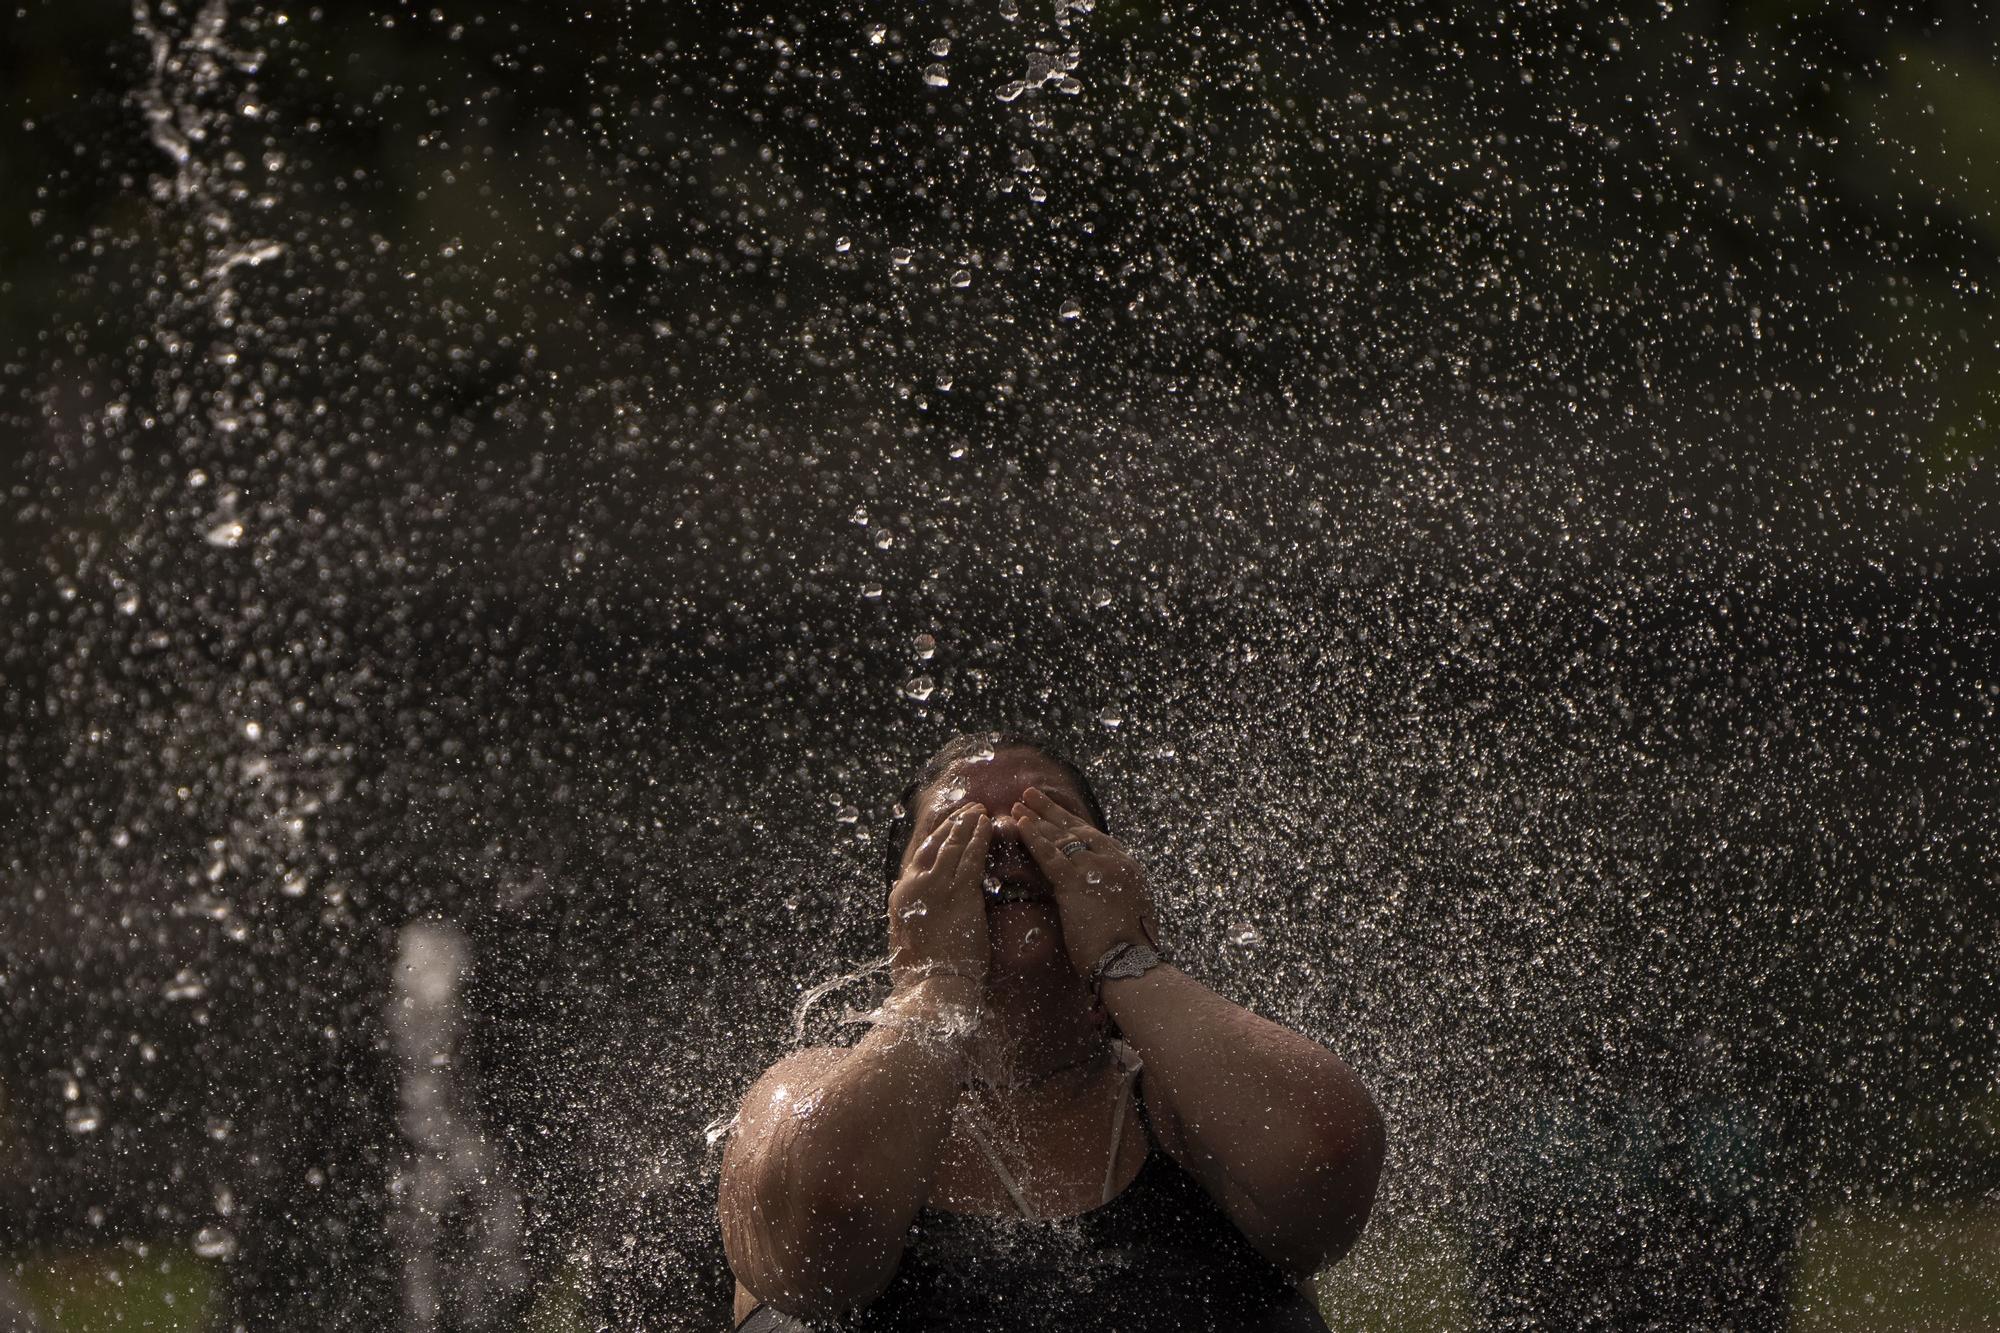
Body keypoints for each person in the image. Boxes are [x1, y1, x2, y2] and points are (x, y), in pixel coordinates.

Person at [719, 732, 1385, 1331]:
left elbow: (1326, 1158)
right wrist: (935, 985)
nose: (1007, 835)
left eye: (1048, 821)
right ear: (902, 903)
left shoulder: (1190, 1104)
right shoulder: (811, 1090)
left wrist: (1128, 958)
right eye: (961, 831)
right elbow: (820, 1228)